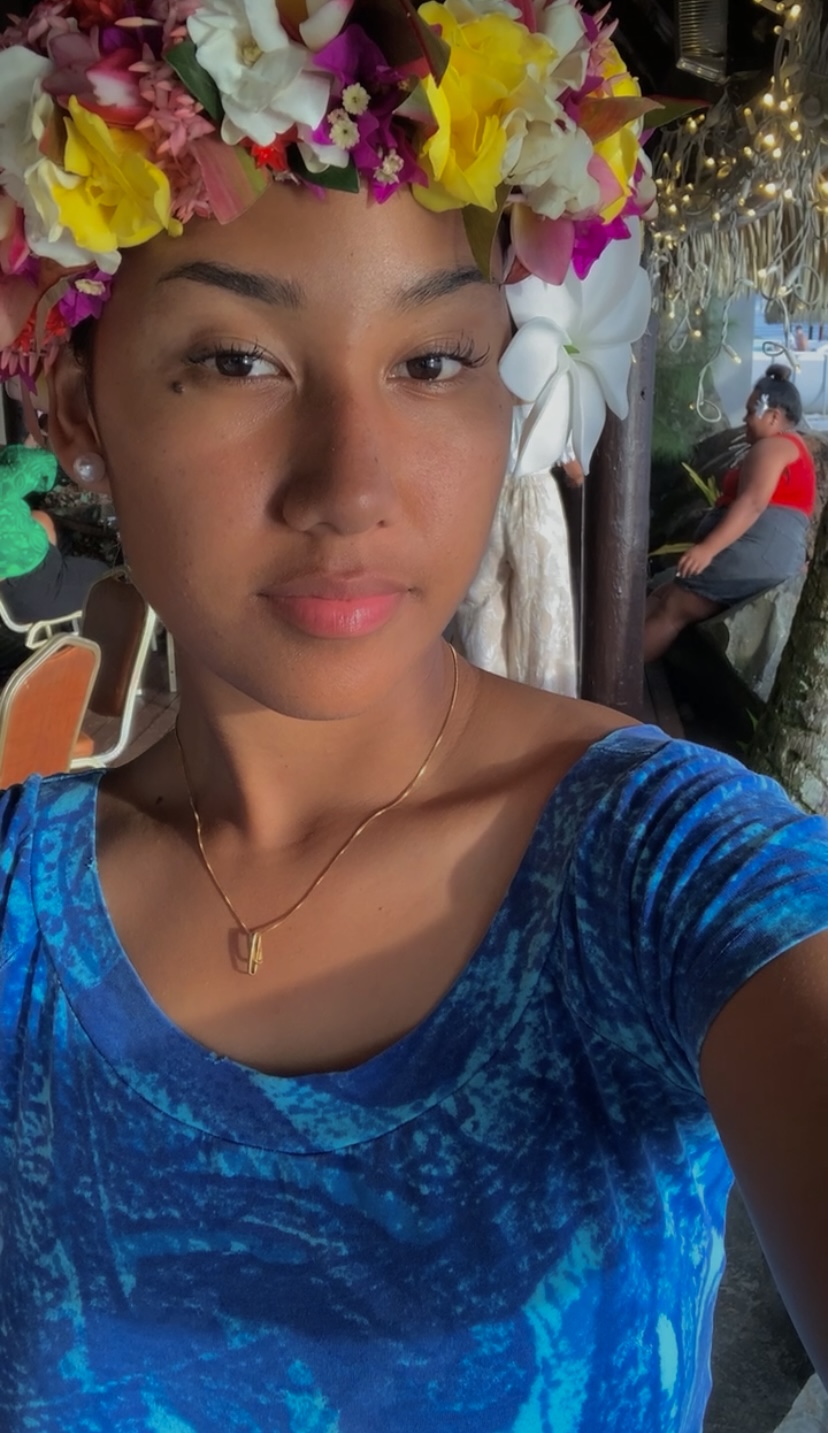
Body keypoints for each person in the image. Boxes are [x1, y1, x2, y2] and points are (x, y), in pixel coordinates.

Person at [0, 3, 827, 1431]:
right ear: (79, 409)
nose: (353, 488)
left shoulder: (664, 866)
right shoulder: (18, 911)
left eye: (434, 361)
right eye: (238, 359)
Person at [643, 365, 816, 662]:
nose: (745, 419)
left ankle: (615, 680)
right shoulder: (785, 446)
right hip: (760, 554)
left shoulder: (774, 447)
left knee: (673, 607)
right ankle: (613, 657)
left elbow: (752, 503)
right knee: (662, 593)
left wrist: (708, 550)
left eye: (750, 412)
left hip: (758, 558)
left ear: (773, 416)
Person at [0, 440, 109, 622]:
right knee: (109, 577)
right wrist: (32, 443)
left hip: (17, 583)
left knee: (44, 520)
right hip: (28, 592)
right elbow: (42, 465)